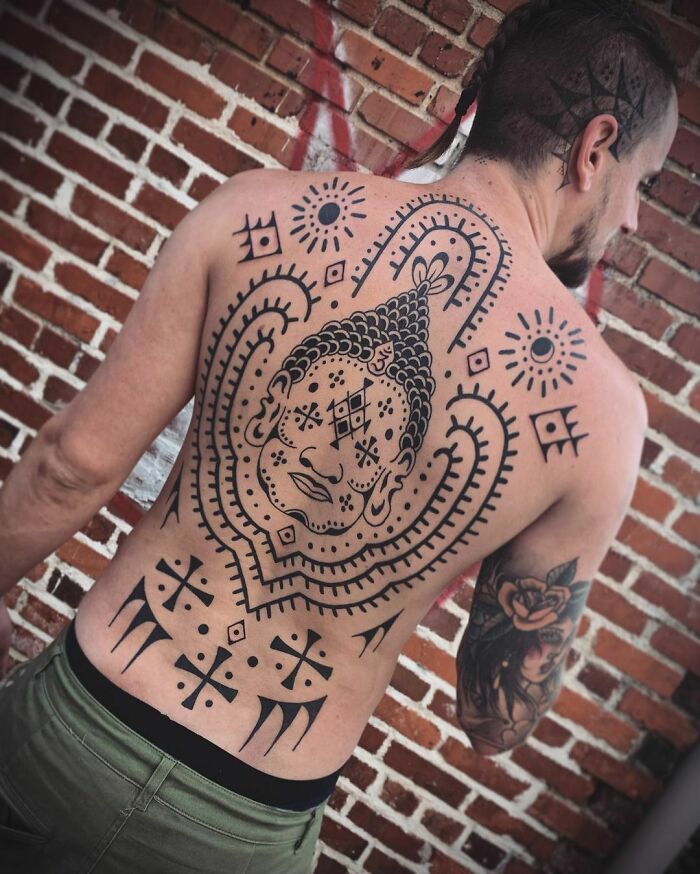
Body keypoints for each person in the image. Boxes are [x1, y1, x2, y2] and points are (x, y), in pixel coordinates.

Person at [0, 0, 679, 871]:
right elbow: (493, 717)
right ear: (595, 148)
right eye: (644, 184)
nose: (630, 219)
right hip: (246, 828)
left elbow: (69, 465)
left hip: (70, 731)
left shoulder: (253, 212)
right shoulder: (604, 417)